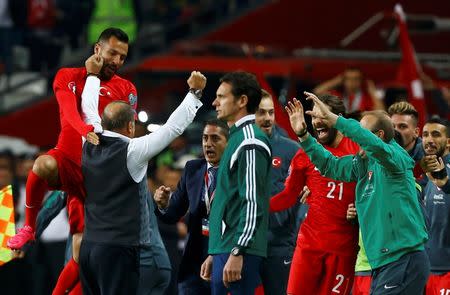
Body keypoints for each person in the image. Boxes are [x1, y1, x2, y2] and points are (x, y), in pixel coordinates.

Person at [8, 27, 137, 294]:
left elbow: (126, 134)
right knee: (43, 164)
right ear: (97, 50)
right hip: (68, 162)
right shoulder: (68, 76)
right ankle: (29, 228)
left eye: (122, 57)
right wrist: (85, 131)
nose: (116, 61)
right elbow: (69, 112)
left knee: (82, 253)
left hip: (99, 178)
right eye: (112, 53)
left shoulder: (126, 88)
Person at [287, 92, 430, 294]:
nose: (353, 138)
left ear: (378, 136)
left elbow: (371, 144)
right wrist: (304, 136)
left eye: (360, 133)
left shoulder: (396, 158)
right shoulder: (363, 163)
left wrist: (336, 120)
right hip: (382, 262)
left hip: (403, 258)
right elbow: (330, 166)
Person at [79, 69, 206, 294]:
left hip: (88, 248)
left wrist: (92, 75)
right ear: (130, 126)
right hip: (118, 250)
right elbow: (172, 128)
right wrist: (194, 93)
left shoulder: (86, 142)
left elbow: (88, 110)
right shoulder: (133, 150)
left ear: (104, 122)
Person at [269, 93, 359, 295]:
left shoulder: (359, 150)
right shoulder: (305, 153)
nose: (317, 122)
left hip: (343, 249)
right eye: (313, 117)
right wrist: (256, 206)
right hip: (309, 246)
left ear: (339, 119)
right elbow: (289, 196)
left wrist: (361, 207)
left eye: (323, 116)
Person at [201, 71, 272, 295]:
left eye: (221, 96)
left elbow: (252, 202)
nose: (214, 102)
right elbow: (227, 198)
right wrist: (215, 251)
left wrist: (237, 250)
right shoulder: (237, 136)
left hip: (238, 249)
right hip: (227, 247)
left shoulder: (250, 140)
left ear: (242, 101)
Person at [154, 119, 229, 294]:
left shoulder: (237, 171)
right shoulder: (193, 168)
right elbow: (173, 214)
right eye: (205, 138)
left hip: (224, 258)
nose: (208, 144)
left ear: (229, 142)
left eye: (215, 139)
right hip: (193, 263)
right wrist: (164, 205)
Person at [254, 89, 301, 295]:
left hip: (280, 245)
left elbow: (302, 196)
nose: (267, 118)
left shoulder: (292, 150)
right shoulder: (237, 146)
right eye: (261, 112)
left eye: (271, 112)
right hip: (246, 245)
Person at [420, 117, 450, 294]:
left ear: (448, 142)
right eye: (425, 135)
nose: (429, 139)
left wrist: (445, 185)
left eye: (435, 134)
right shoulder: (429, 174)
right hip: (427, 267)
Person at [313, 68, 384, 113]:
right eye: (348, 79)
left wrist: (372, 92)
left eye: (356, 79)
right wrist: (337, 80)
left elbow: (381, 111)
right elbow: (317, 92)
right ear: (343, 81)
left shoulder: (366, 97)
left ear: (361, 81)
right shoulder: (337, 95)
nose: (352, 82)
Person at [388, 101, 425, 178]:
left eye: (402, 126)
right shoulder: (383, 155)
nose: (396, 131)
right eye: (392, 126)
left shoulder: (428, 159)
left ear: (416, 132)